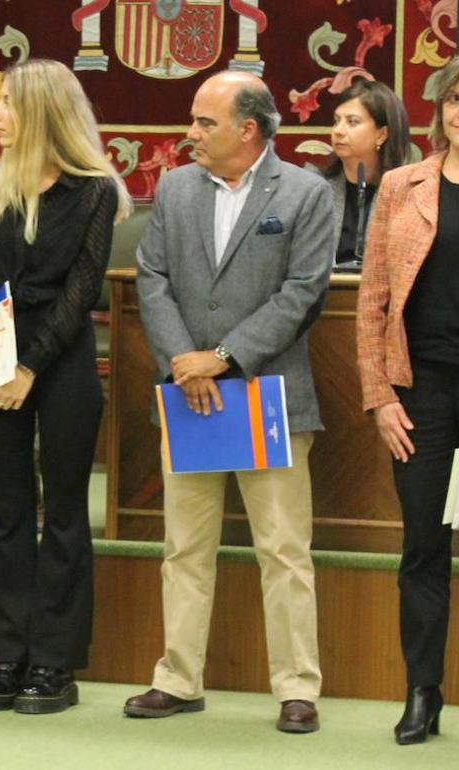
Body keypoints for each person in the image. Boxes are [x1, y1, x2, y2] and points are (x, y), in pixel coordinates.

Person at [127, 71, 335, 733]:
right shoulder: (176, 187)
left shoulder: (305, 193)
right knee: (184, 546)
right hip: (189, 395)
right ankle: (178, 679)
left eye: (204, 123)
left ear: (248, 130)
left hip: (267, 394)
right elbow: (151, 278)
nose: (190, 134)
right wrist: (184, 362)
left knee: (283, 549)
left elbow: (303, 294)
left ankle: (297, 689)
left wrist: (221, 358)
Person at [0, 59, 131, 715]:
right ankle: (8, 655)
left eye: (3, 105)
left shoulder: (94, 190)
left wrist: (30, 368)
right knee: (8, 513)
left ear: (40, 112)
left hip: (61, 366)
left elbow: (82, 291)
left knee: (63, 513)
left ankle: (54, 661)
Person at [356, 55, 459, 746]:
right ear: (442, 107)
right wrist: (380, 396)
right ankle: (422, 691)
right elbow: (371, 303)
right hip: (423, 390)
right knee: (424, 546)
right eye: (456, 100)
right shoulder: (402, 185)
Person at [318, 79, 411, 268]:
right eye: (336, 121)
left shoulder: (409, 194)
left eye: (352, 122)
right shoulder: (316, 189)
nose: (338, 131)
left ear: (382, 134)